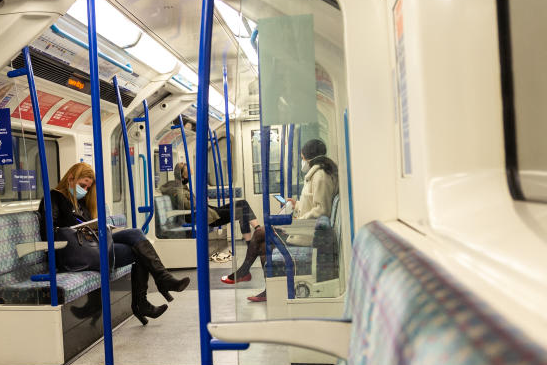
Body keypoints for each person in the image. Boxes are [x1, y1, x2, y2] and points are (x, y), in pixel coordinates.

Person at [37, 162, 189, 325]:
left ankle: (160, 281)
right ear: (70, 178)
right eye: (82, 185)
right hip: (71, 253)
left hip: (89, 246)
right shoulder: (54, 197)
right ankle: (150, 294)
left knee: (135, 233)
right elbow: (49, 232)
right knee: (137, 251)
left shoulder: (81, 204)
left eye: (88, 188)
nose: (85, 191)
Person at [221, 138, 339, 302]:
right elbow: (312, 203)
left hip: (309, 233)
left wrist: (296, 222)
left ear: (309, 157)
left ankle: (244, 272)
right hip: (306, 228)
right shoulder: (316, 175)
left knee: (262, 233)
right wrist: (296, 204)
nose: (302, 161)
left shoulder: (320, 176)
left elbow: (322, 210)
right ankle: (265, 287)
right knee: (263, 244)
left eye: (302, 157)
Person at [159, 161, 261, 244]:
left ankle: (257, 231)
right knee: (242, 211)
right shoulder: (177, 189)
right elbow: (185, 205)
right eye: (188, 175)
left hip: (208, 211)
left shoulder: (181, 187)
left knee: (242, 203)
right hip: (206, 217)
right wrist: (200, 202)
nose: (190, 177)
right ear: (182, 176)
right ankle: (254, 239)